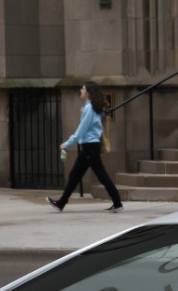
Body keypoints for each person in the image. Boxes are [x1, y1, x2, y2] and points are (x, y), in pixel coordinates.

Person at [48, 82, 123, 213]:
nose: (81, 91)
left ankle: (117, 202)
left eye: (83, 89)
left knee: (99, 175)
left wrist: (68, 143)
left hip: (90, 146)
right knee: (76, 175)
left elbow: (82, 129)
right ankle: (61, 202)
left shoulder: (89, 108)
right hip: (90, 146)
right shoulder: (91, 107)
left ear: (88, 92)